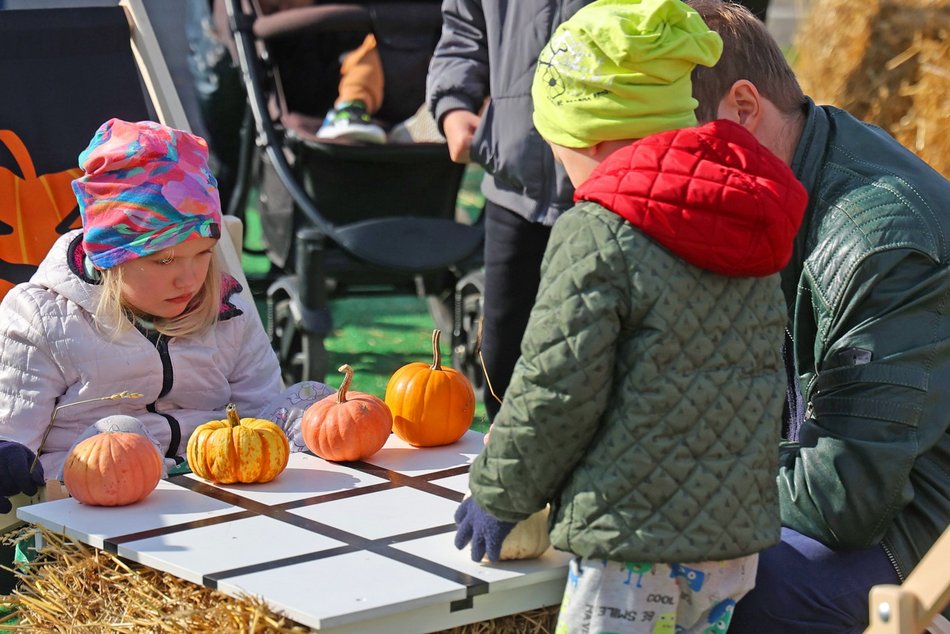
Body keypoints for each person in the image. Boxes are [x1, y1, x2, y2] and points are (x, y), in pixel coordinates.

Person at [452, 1, 808, 632]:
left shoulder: (598, 231)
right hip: (733, 543)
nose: (567, 179)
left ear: (593, 137)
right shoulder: (745, 209)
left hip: (631, 546)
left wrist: (500, 493)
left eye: (560, 153)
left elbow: (555, 389)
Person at [682, 1, 950, 630]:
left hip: (921, 519)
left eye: (670, 154)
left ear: (743, 111)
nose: (654, 186)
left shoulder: (880, 241)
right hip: (858, 480)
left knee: (732, 585)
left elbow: (843, 497)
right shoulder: (788, 163)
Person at [0, 119, 331, 509]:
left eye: (203, 254)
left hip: (217, 484)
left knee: (312, 403)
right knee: (120, 434)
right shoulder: (43, 317)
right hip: (94, 498)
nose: (189, 279)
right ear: (112, 257)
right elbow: (13, 436)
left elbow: (260, 412)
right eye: (165, 260)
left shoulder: (227, 306)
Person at [426, 0, 595, 421]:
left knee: (594, 359)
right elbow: (464, 31)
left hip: (609, 192)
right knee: (503, 363)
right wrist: (454, 106)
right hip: (513, 188)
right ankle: (507, 471)